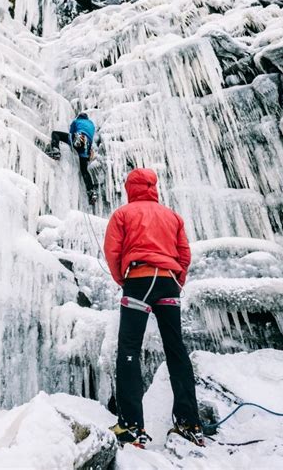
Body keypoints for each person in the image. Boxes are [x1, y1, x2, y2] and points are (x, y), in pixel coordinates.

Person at [103, 168, 204, 449]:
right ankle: (189, 422)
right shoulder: (172, 216)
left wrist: (125, 280)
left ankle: (131, 425)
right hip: (169, 281)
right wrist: (177, 279)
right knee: (176, 349)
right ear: (153, 187)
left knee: (129, 349)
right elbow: (184, 253)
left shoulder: (124, 214)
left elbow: (112, 251)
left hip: (139, 278)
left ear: (130, 188)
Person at [47, 112, 97, 205]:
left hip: (78, 137)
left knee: (55, 134)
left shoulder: (76, 121)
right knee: (84, 170)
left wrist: (71, 145)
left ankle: (56, 150)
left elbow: (71, 131)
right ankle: (91, 191)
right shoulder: (92, 125)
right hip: (87, 145)